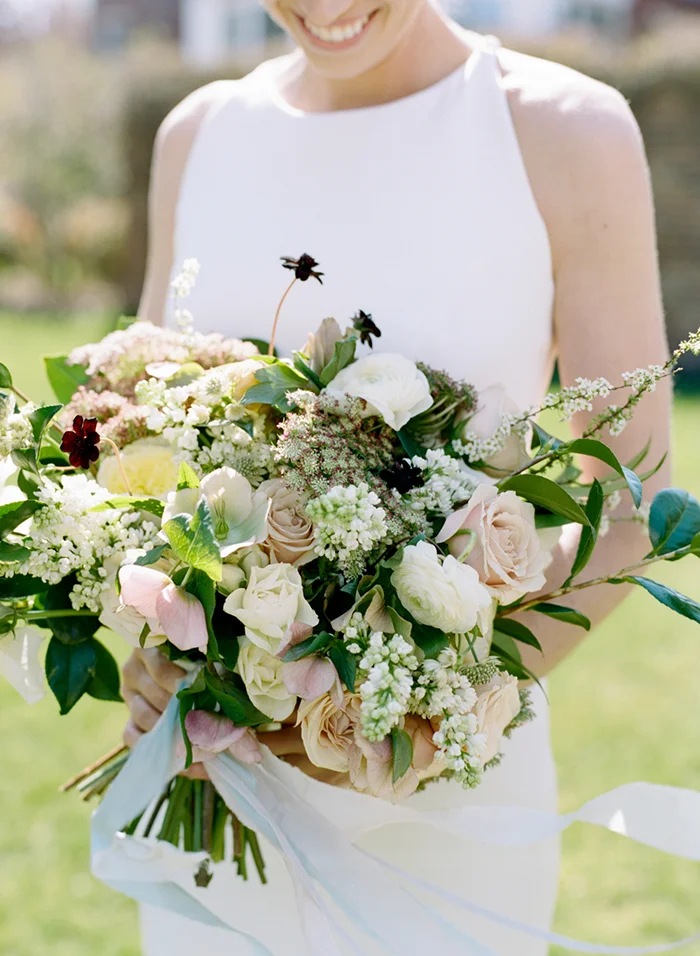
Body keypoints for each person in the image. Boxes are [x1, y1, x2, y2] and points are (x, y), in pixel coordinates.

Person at [122, 1, 671, 952]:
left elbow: (631, 503)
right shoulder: (199, 136)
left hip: (442, 807)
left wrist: (416, 716)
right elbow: (137, 447)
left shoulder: (559, 131)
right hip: (213, 793)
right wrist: (150, 643)